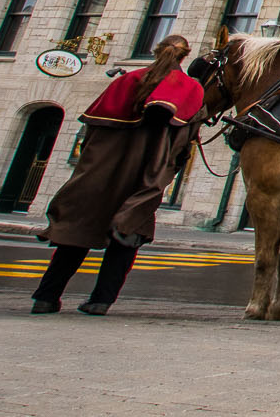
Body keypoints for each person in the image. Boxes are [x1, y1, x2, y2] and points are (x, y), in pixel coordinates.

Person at [30, 34, 204, 315]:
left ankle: (46, 297)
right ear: (184, 57)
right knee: (127, 236)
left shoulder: (125, 81)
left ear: (155, 50)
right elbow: (183, 143)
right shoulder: (190, 89)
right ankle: (100, 301)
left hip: (102, 171)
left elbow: (91, 132)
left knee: (76, 234)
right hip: (146, 174)